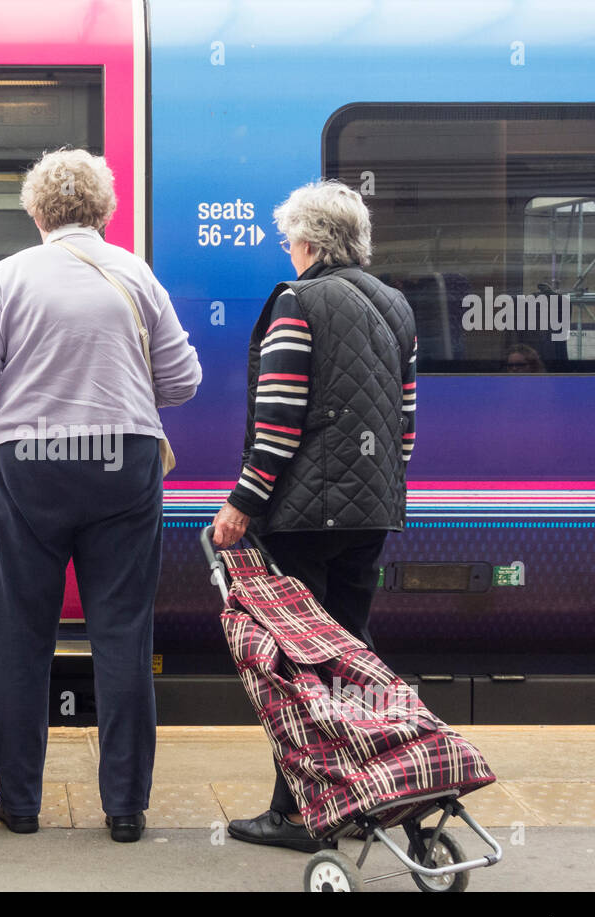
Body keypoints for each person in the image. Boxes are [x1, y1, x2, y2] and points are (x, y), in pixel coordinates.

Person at [0, 149, 201, 842]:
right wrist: (118, 389)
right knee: (123, 635)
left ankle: (22, 804)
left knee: (20, 635)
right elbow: (183, 381)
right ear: (104, 210)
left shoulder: (10, 276)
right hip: (121, 463)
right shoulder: (135, 272)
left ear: (35, 211)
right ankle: (125, 809)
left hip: (29, 463)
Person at [211, 179, 417, 852]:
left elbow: (278, 421)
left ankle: (300, 813)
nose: (286, 248)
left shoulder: (299, 304)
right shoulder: (395, 306)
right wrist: (377, 488)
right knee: (347, 658)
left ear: (310, 241)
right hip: (372, 511)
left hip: (303, 519)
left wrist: (243, 502)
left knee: (297, 667)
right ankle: (357, 796)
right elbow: (404, 426)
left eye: (288, 237)